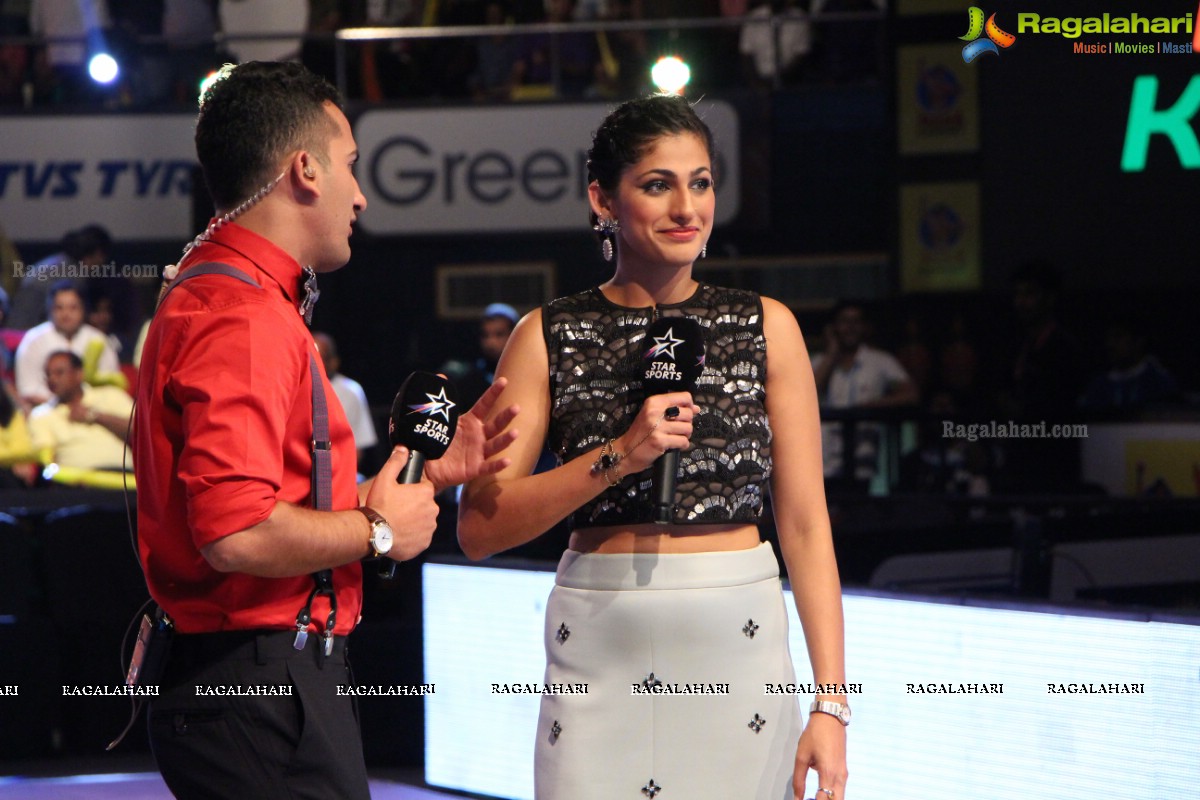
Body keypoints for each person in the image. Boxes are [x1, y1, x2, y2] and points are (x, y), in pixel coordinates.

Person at [133, 61, 517, 800]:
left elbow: (260, 506)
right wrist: (376, 531)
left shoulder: (225, 289)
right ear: (304, 169)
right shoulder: (242, 313)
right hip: (258, 687)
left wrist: (417, 481)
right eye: (351, 166)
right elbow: (234, 533)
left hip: (253, 683)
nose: (362, 195)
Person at [458, 94, 849, 800]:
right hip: (598, 649)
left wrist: (831, 702)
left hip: (739, 650)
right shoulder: (545, 335)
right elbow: (480, 528)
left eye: (700, 182)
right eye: (657, 183)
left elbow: (805, 525)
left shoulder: (767, 327)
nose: (686, 207)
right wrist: (618, 457)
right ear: (601, 199)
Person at [811, 301, 917, 483]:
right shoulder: (819, 361)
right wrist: (832, 353)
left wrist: (869, 407)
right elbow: (808, 393)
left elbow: (911, 395)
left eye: (856, 322)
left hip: (864, 462)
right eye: (844, 321)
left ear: (864, 327)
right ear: (833, 326)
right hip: (822, 461)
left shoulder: (880, 360)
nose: (850, 328)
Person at [13, 280, 120, 408]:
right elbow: (28, 390)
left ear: (83, 309)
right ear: (49, 309)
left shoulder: (99, 340)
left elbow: (112, 386)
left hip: (93, 412)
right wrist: (63, 407)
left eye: (73, 307)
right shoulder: (33, 341)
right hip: (47, 413)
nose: (66, 314)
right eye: (59, 308)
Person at [28, 349, 132, 470]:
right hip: (76, 483)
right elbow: (47, 459)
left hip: (123, 478)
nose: (52, 379)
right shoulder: (41, 415)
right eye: (48, 374)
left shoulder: (110, 395)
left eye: (59, 373)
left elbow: (140, 431)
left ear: (79, 374)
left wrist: (95, 416)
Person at [314, 330, 379, 472]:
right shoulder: (292, 387)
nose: (315, 362)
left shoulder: (351, 390)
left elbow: (358, 447)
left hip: (338, 475)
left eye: (321, 357)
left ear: (334, 361)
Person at [440, 302, 519, 408]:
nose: (491, 342)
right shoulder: (467, 379)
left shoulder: (525, 376)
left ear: (514, 335)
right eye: (485, 335)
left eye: (499, 334)